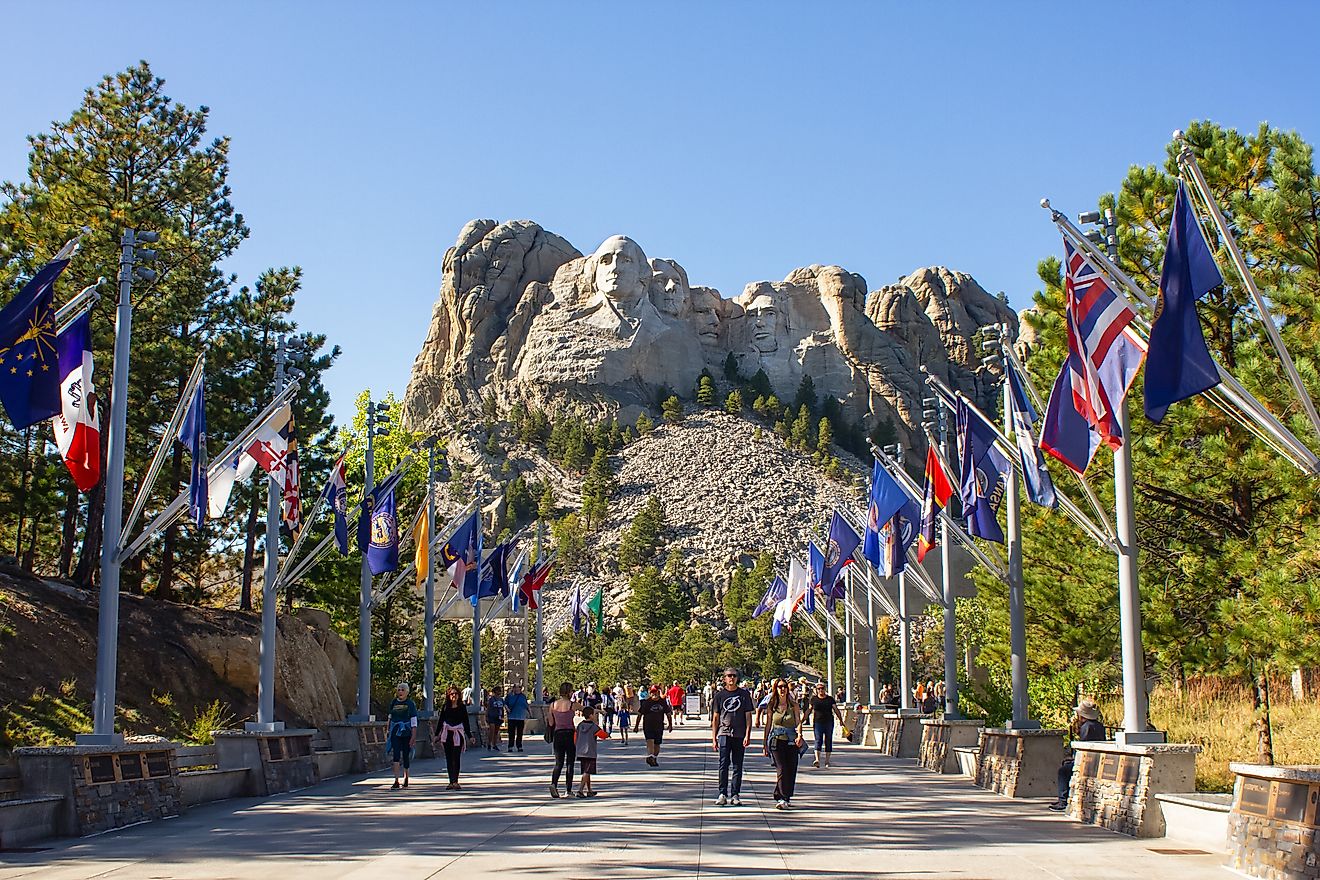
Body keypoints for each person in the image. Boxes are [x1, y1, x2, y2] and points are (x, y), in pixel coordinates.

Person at [1050, 698, 1107, 811]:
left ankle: (1063, 801)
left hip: (1088, 761)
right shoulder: (1099, 726)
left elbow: (1084, 747)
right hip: (1096, 759)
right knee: (1066, 766)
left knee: (1063, 771)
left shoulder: (1087, 727)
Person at [711, 667, 754, 806]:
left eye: (734, 676)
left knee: (737, 765)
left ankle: (735, 794)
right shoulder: (719, 696)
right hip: (724, 733)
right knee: (723, 764)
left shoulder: (744, 695)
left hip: (739, 734)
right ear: (724, 678)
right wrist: (714, 738)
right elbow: (716, 718)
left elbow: (748, 716)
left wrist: (748, 734)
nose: (731, 678)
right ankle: (722, 793)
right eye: (729, 676)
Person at [763, 677, 804, 809]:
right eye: (780, 687)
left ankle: (784, 794)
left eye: (784, 686)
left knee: (791, 769)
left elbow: (798, 722)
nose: (783, 689)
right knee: (781, 768)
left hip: (791, 740)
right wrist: (764, 743)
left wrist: (800, 735)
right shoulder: (772, 705)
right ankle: (782, 798)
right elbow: (768, 724)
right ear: (775, 689)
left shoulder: (794, 705)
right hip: (776, 740)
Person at [433, 685, 471, 790]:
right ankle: (450, 781)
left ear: (459, 695)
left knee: (456, 758)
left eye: (455, 694)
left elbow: (466, 722)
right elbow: (441, 721)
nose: (454, 696)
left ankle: (456, 781)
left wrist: (470, 736)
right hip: (447, 734)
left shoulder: (462, 707)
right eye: (451, 694)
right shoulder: (446, 707)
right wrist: (437, 735)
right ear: (449, 696)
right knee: (449, 758)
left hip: (457, 734)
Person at [548, 682, 578, 798]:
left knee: (558, 763)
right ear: (569, 692)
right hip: (569, 734)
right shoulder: (572, 705)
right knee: (570, 763)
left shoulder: (553, 705)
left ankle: (554, 784)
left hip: (558, 735)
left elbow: (551, 723)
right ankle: (568, 790)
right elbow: (586, 710)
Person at [387, 683, 418, 789]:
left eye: (402, 690)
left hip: (406, 732)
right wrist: (388, 730)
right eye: (399, 689)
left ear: (407, 692)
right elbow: (390, 717)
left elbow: (414, 720)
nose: (400, 692)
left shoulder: (410, 704)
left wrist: (413, 736)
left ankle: (406, 777)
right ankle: (396, 780)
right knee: (396, 754)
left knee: (405, 755)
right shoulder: (393, 703)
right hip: (395, 731)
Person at [807, 680, 845, 769]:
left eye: (822, 688)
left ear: (825, 689)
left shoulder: (830, 699)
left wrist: (841, 720)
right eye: (819, 689)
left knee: (828, 740)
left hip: (828, 722)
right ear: (816, 690)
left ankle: (827, 761)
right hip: (818, 722)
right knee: (818, 740)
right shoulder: (814, 699)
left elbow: (836, 710)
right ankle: (817, 759)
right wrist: (802, 720)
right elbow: (809, 710)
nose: (820, 690)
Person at [574, 705, 608, 797]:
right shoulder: (593, 726)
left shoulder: (580, 725)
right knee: (587, 771)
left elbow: (575, 737)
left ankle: (589, 790)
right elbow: (602, 735)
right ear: (591, 715)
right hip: (590, 752)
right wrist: (607, 734)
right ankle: (580, 790)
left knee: (586, 771)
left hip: (581, 751)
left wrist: (576, 745)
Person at [637, 684, 673, 766]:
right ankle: (650, 756)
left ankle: (653, 757)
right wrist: (636, 726)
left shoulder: (662, 702)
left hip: (659, 726)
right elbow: (639, 714)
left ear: (658, 692)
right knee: (650, 741)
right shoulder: (646, 703)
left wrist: (670, 725)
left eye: (655, 692)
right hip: (648, 726)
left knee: (657, 744)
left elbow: (668, 714)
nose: (654, 694)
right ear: (650, 693)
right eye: (652, 692)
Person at [505, 684, 530, 752]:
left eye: (518, 688)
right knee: (511, 733)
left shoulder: (523, 696)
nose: (516, 689)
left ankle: (519, 746)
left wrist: (529, 713)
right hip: (512, 717)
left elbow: (526, 705)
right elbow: (505, 703)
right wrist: (507, 709)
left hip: (520, 717)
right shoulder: (509, 696)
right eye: (515, 688)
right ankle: (510, 746)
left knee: (520, 733)